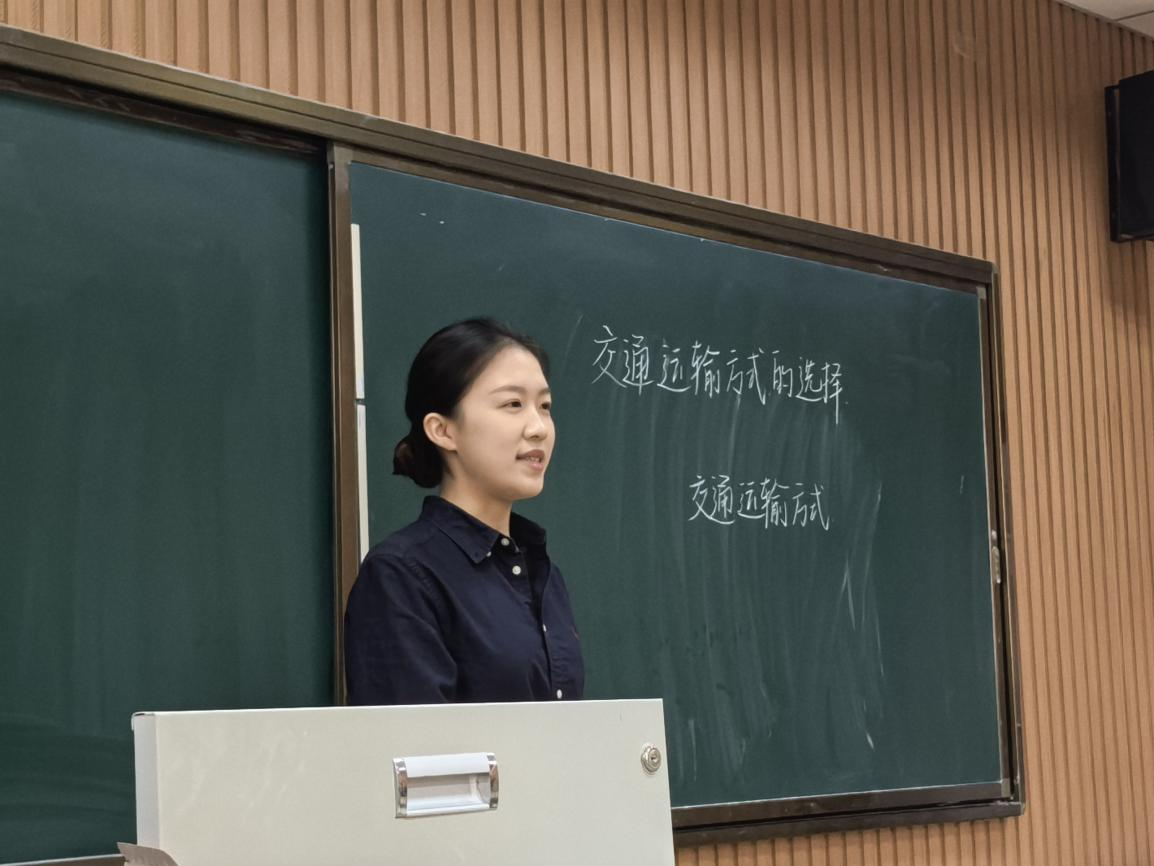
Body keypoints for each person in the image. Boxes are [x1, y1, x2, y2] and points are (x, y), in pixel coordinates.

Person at [344, 318, 585, 705]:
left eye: (545, 406)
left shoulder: (543, 574)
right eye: (513, 404)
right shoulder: (402, 576)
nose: (539, 427)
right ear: (442, 430)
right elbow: (412, 738)